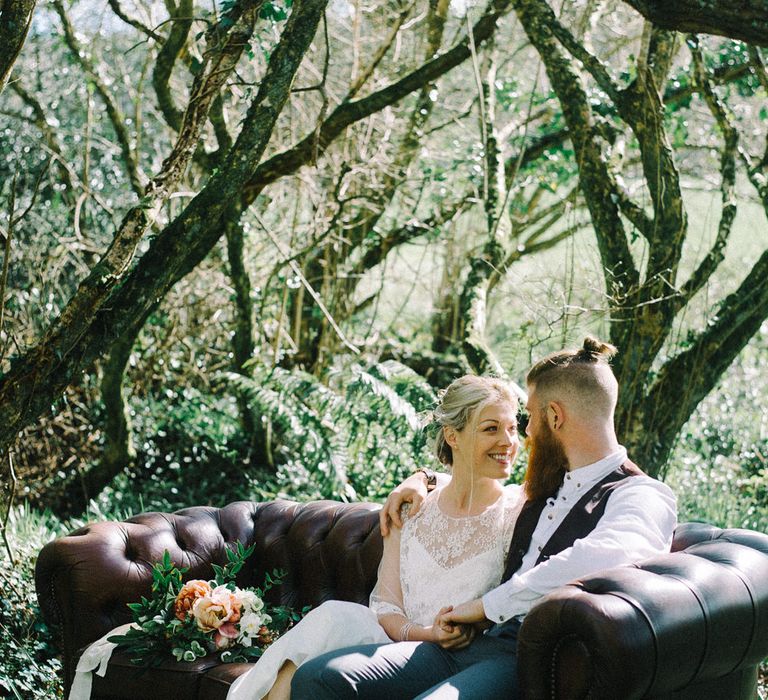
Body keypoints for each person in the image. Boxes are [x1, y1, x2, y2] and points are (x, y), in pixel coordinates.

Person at [291, 337, 677, 699]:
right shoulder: (547, 484)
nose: (524, 434)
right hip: (474, 641)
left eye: (527, 419)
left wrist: (486, 605)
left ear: (555, 417)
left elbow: (605, 554)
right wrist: (423, 478)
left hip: (531, 656)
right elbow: (472, 482)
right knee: (320, 678)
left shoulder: (641, 494)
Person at [226, 375, 525, 700]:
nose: (508, 441)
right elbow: (386, 606)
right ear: (453, 435)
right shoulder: (412, 507)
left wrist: (423, 476)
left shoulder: (521, 509)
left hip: (462, 658)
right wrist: (427, 633)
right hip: (393, 642)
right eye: (491, 429)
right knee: (331, 620)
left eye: (512, 428)